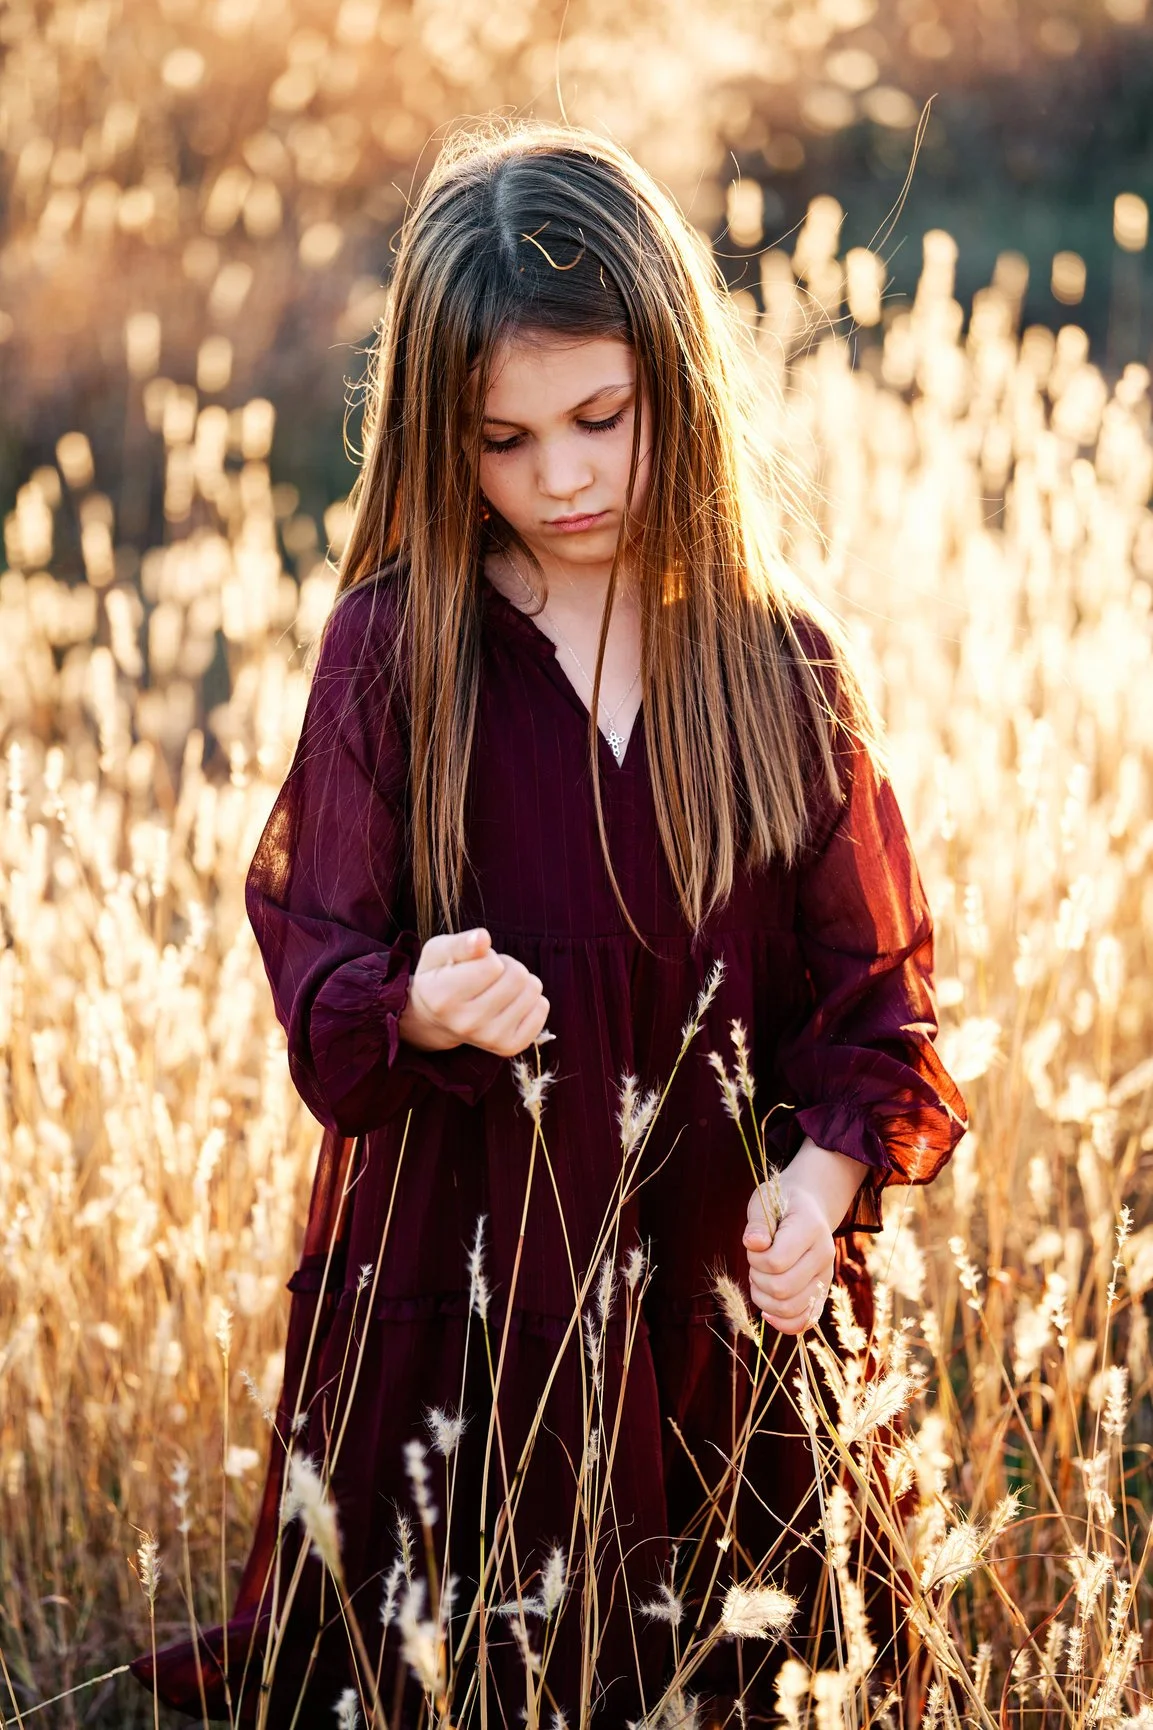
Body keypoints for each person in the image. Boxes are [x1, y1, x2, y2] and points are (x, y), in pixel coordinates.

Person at [129, 120, 968, 1727]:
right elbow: (324, 971)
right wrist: (419, 1004)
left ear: (680, 380)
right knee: (475, 1656)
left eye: (600, 417)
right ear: (443, 443)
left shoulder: (775, 664)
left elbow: (875, 995)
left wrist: (825, 1169)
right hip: (477, 1264)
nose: (562, 476)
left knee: (748, 1662)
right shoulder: (397, 651)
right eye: (503, 442)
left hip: (722, 1267)